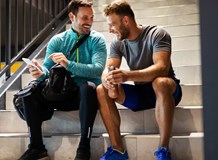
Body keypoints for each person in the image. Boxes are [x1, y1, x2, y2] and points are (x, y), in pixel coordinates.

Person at [18, 0, 107, 160]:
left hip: (84, 97)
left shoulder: (97, 39)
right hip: (60, 92)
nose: (90, 22)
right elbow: (46, 70)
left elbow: (97, 69)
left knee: (89, 87)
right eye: (85, 18)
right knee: (29, 91)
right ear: (72, 16)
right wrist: (39, 72)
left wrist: (68, 64)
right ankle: (36, 148)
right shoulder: (58, 40)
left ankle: (84, 148)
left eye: (92, 17)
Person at [96, 0, 182, 160]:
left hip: (167, 90)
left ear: (126, 21)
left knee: (160, 82)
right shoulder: (117, 42)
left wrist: (128, 75)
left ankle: (163, 150)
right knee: (101, 89)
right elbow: (109, 67)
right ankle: (118, 150)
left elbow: (161, 68)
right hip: (142, 94)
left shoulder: (157, 33)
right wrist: (108, 79)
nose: (110, 30)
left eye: (112, 24)